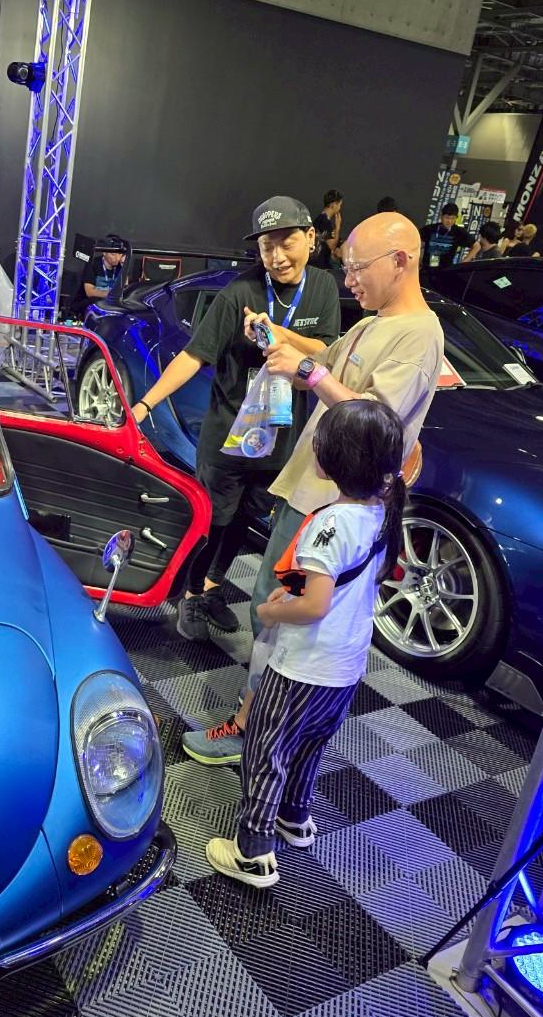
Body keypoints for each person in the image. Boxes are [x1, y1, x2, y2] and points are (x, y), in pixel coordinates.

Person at [183, 211, 443, 764]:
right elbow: (324, 359)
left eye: (357, 268)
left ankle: (254, 729)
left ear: (400, 261)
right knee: (274, 607)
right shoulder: (374, 323)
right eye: (345, 268)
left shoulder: (420, 335)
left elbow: (374, 420)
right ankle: (261, 722)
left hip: (332, 505)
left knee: (282, 612)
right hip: (313, 495)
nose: (349, 281)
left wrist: (308, 373)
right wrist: (279, 340)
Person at [204, 398, 407, 887]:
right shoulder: (382, 512)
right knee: (309, 743)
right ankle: (294, 817)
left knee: (266, 750)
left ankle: (253, 851)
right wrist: (295, 594)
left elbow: (315, 606)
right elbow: (338, 586)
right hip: (345, 665)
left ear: (332, 459)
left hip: (303, 665)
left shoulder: (328, 524)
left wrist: (271, 611)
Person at [130, 196, 340, 641]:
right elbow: (193, 356)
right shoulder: (238, 293)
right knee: (212, 521)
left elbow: (326, 350)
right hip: (228, 437)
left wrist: (279, 334)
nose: (277, 256)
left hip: (281, 440)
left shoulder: (323, 287)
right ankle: (189, 595)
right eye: (267, 246)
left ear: (310, 238)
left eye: (286, 242)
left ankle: (211, 587)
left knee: (244, 519)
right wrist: (145, 404)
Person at [419, 202, 479, 270]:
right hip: (426, 269)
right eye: (447, 218)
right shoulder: (430, 229)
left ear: (456, 218)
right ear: (441, 216)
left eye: (453, 218)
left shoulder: (458, 232)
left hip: (446, 270)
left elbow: (477, 246)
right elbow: (416, 240)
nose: (449, 221)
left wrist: (463, 263)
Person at [79, 233, 128, 307]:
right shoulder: (93, 264)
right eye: (113, 254)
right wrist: (111, 294)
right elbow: (90, 292)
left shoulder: (121, 265)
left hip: (113, 303)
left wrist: (124, 265)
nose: (117, 258)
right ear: (104, 252)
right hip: (95, 302)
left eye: (119, 254)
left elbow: (125, 289)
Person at [313, 189, 343, 269]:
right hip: (320, 265)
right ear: (334, 204)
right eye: (339, 205)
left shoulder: (322, 219)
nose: (339, 208)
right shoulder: (324, 221)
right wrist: (338, 227)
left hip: (319, 264)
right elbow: (332, 246)